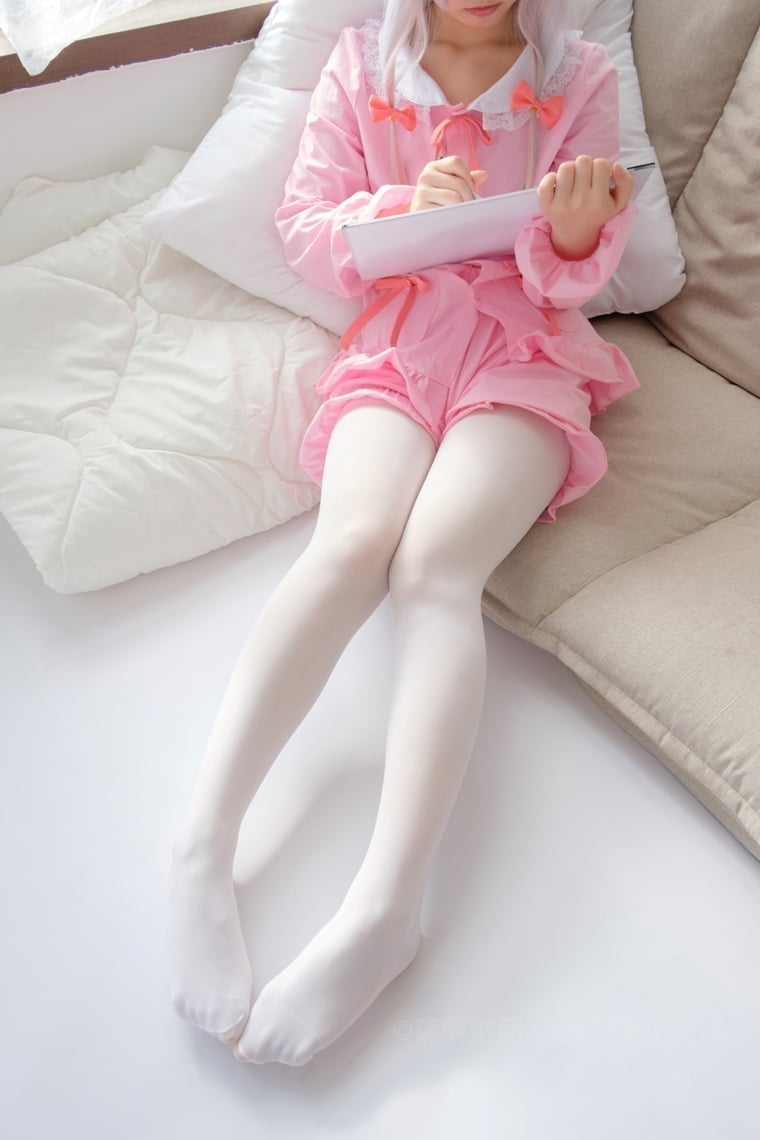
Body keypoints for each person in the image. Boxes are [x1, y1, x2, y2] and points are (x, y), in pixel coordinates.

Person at [167, 0, 640, 1068]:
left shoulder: (579, 77)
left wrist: (570, 232)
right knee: (350, 545)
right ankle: (201, 843)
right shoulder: (359, 65)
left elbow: (581, 270)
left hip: (528, 349)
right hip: (397, 342)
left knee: (435, 572)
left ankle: (387, 907)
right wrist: (400, 205)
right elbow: (307, 226)